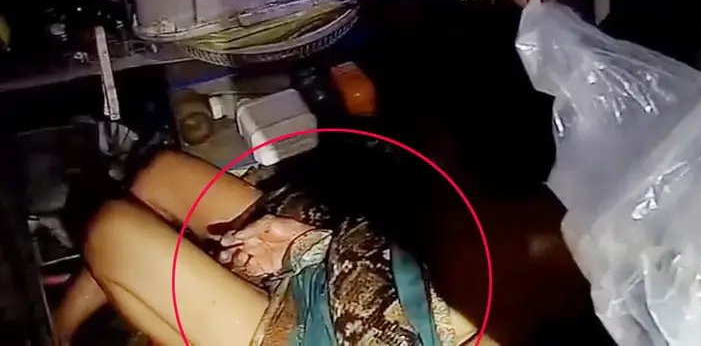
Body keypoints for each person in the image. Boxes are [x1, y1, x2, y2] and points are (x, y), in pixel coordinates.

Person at [52, 150, 476, 346]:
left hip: (330, 336)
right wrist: (312, 246)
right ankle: (62, 331)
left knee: (110, 231)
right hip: (357, 269)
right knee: (159, 177)